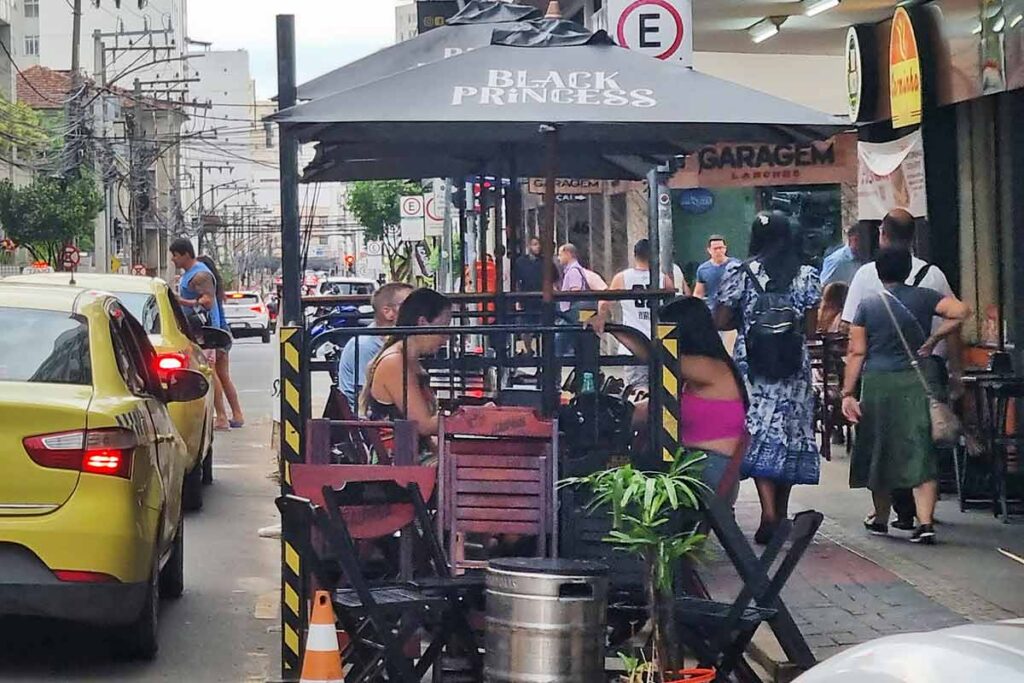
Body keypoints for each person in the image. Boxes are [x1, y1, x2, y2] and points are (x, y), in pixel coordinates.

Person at [841, 208, 962, 528]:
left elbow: (855, 347)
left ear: (882, 235)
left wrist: (847, 391)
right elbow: (960, 314)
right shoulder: (931, 279)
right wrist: (945, 351)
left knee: (881, 447)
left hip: (878, 378)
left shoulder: (866, 279)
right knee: (919, 446)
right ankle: (925, 520)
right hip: (923, 373)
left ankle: (887, 513)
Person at [715, 212, 822, 544]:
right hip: (794, 367)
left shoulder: (741, 272)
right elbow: (811, 328)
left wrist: (749, 322)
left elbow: (720, 319)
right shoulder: (807, 275)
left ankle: (768, 514)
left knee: (761, 435)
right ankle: (782, 511)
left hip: (755, 367)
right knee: (789, 436)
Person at [361, 289, 452, 462]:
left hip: (414, 452)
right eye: (444, 327)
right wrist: (467, 417)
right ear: (423, 322)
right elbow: (423, 425)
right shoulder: (395, 363)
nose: (446, 337)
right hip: (398, 459)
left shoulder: (411, 362)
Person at [590, 239, 674, 388]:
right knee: (662, 391)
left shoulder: (623, 277)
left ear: (635, 255)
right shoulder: (663, 278)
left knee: (637, 390)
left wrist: (601, 318)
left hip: (632, 343)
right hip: (660, 343)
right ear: (656, 256)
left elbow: (604, 302)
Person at [337, 282, 412, 411]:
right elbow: (366, 399)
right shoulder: (365, 346)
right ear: (388, 312)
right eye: (409, 305)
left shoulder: (392, 342)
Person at [198, 255, 245, 430]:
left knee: (214, 376)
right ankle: (237, 414)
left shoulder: (208, 292)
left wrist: (212, 342)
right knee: (224, 377)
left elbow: (214, 318)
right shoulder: (215, 290)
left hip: (215, 338)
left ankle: (222, 417)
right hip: (223, 336)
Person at [512, 237, 545, 354]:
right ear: (529, 246)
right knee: (526, 326)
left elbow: (553, 280)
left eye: (539, 244)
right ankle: (529, 348)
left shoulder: (544, 262)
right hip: (526, 298)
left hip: (542, 298)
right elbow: (516, 281)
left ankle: (543, 350)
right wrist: (517, 299)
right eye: (535, 244)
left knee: (543, 325)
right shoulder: (521, 262)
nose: (537, 247)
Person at [693, 235, 739, 309]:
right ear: (709, 250)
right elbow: (698, 294)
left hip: (734, 309)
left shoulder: (737, 266)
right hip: (712, 310)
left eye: (721, 248)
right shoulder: (703, 269)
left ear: (725, 249)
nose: (718, 251)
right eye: (715, 249)